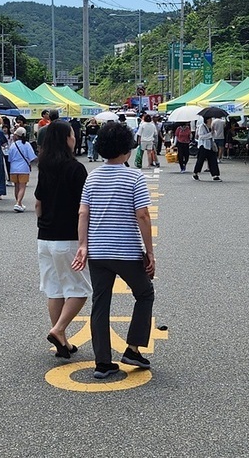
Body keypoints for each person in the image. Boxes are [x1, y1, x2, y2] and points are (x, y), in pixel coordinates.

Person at [72, 121, 154, 379]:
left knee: (100, 302)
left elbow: (83, 213)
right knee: (144, 293)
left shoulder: (93, 176)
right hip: (126, 251)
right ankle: (133, 348)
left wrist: (83, 245)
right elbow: (142, 215)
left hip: (98, 251)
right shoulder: (134, 177)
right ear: (126, 149)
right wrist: (150, 252)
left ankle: (102, 362)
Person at [35, 120, 91, 360]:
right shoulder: (76, 169)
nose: (74, 138)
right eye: (72, 135)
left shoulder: (44, 167)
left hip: (45, 237)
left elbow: (38, 204)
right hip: (68, 237)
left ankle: (63, 340)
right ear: (66, 139)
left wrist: (44, 223)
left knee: (54, 289)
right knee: (80, 288)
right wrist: (85, 239)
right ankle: (58, 330)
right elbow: (84, 208)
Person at [7, 127, 37, 212]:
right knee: (22, 187)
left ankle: (19, 203)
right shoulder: (27, 144)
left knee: (16, 186)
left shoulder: (13, 145)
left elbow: (9, 158)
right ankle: (18, 203)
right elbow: (32, 157)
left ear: (17, 135)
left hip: (13, 169)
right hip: (24, 168)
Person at [192, 116, 222, 181]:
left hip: (210, 146)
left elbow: (214, 135)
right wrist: (210, 134)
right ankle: (195, 173)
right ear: (207, 120)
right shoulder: (202, 127)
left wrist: (214, 132)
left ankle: (215, 175)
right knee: (200, 160)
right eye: (210, 119)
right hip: (203, 146)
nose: (211, 120)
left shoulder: (211, 127)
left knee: (213, 160)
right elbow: (201, 136)